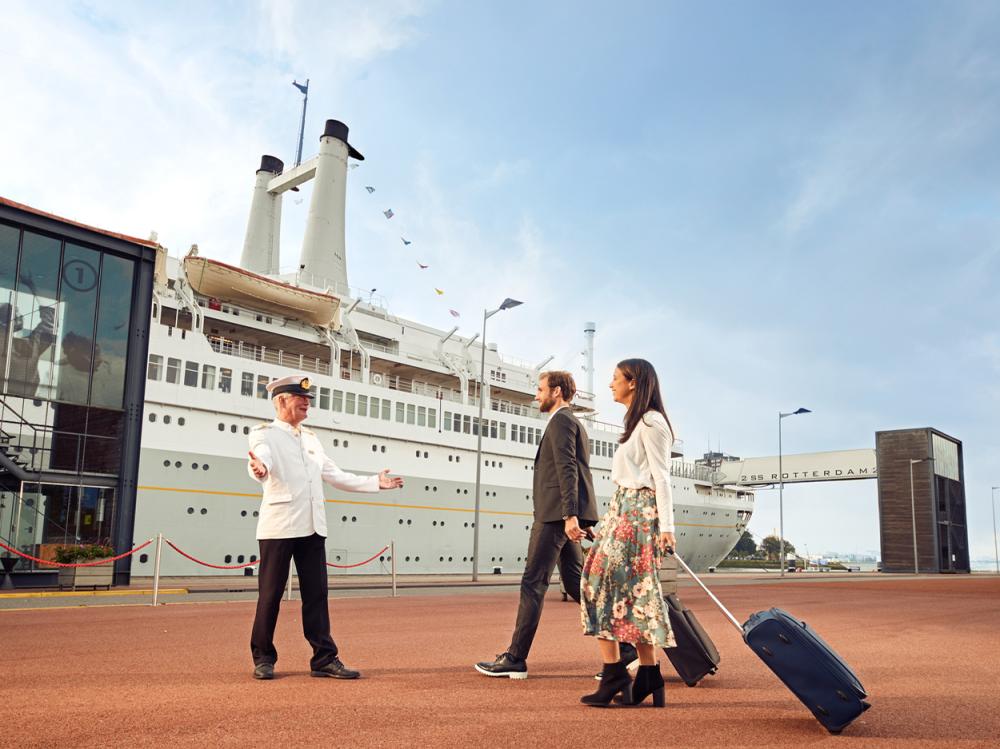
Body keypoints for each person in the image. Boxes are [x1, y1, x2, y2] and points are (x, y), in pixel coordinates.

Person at [247, 374, 403, 681]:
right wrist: (260, 470)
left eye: (308, 399)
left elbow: (335, 474)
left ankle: (324, 658)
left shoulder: (311, 440)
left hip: (312, 527)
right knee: (270, 595)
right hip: (279, 527)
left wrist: (375, 482)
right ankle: (263, 658)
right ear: (281, 401)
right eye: (300, 398)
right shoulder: (264, 435)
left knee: (317, 595)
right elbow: (260, 460)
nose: (307, 403)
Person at [475, 370, 599, 679]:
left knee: (533, 582)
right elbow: (579, 471)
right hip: (564, 515)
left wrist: (571, 516)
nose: (537, 394)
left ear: (557, 391)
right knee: (575, 583)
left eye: (541, 389)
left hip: (555, 516)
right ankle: (624, 649)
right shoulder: (572, 423)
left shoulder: (561, 422)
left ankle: (516, 657)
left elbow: (567, 469)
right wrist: (580, 516)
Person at [580, 359, 676, 707]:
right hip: (624, 509)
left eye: (615, 379)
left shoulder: (651, 422)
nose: (610, 385)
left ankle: (615, 673)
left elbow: (662, 477)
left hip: (637, 512)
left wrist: (667, 528)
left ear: (633, 383)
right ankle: (648, 674)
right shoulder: (637, 421)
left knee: (597, 583)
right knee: (631, 593)